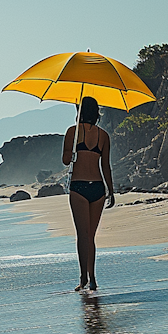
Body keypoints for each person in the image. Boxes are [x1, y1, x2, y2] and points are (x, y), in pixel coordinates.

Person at [62, 95, 114, 291]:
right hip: (98, 187)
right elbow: (105, 166)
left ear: (79, 112)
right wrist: (111, 190)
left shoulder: (72, 132)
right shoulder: (103, 136)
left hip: (79, 187)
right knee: (90, 236)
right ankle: (92, 278)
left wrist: (74, 148)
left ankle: (83, 278)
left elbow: (66, 161)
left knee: (82, 235)